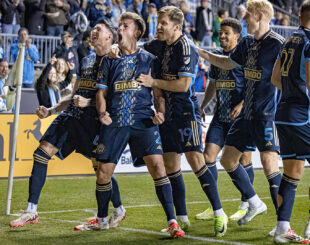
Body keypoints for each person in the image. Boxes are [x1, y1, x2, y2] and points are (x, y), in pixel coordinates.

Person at [9, 19, 126, 229]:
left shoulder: (116, 61)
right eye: (93, 28)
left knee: (101, 170)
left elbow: (117, 99)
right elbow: (74, 95)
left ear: (110, 36)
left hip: (93, 123)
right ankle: (31, 210)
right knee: (41, 153)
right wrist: (51, 110)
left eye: (98, 29)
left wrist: (89, 102)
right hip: (71, 117)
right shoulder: (87, 60)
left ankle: (119, 210)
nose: (93, 31)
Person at [81, 12, 185, 238]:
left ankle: (172, 221)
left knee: (159, 167)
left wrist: (161, 113)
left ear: (137, 32)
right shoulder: (110, 59)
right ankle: (101, 220)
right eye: (119, 25)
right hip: (115, 120)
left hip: (143, 120)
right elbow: (101, 93)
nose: (119, 29)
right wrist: (102, 113)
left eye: (125, 26)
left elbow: (158, 94)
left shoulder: (149, 59)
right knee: (102, 173)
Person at [137, 6, 228, 237]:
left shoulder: (186, 47)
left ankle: (219, 213)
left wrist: (154, 83)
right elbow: (136, 50)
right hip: (167, 116)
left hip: (187, 113)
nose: (158, 26)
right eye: (158, 21)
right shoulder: (157, 45)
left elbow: (183, 85)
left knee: (196, 161)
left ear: (177, 26)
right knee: (170, 166)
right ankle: (182, 219)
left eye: (163, 22)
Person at [197, 0, 284, 230]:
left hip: (265, 114)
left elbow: (289, 76)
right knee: (226, 159)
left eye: (247, 16)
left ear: (260, 16)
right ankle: (254, 202)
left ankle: (283, 224)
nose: (244, 19)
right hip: (245, 116)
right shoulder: (246, 43)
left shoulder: (277, 44)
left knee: (268, 164)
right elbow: (226, 62)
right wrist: (203, 53)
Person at [195, 18, 255, 222]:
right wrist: (202, 106)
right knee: (208, 157)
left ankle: (246, 203)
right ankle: (214, 206)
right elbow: (212, 84)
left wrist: (242, 105)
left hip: (241, 117)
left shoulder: (245, 58)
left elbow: (253, 86)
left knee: (244, 159)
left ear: (237, 35)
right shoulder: (217, 58)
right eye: (220, 32)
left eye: (226, 32)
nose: (222, 35)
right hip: (220, 117)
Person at [271, 2, 310, 243]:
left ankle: (282, 229)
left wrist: (293, 91)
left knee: (292, 173)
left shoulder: (289, 40)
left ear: (298, 15)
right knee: (292, 173)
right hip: (302, 115)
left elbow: (276, 78)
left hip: (284, 113)